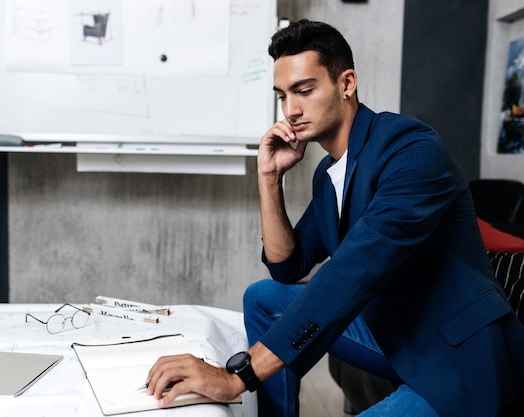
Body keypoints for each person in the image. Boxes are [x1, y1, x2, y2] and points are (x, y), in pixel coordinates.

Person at [145, 19, 524, 416]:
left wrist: (238, 376)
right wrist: (269, 177)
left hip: (457, 352)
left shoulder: (411, 149)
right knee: (262, 298)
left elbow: (351, 271)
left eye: (305, 91)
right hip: (394, 331)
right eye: (282, 96)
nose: (291, 110)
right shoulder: (329, 177)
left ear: (346, 84)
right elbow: (287, 266)